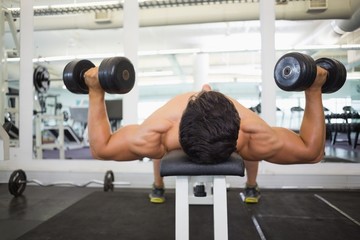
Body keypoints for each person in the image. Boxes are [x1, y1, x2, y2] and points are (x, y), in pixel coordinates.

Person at [84, 65, 327, 203]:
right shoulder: (252, 134)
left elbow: (101, 148)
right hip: (235, 139)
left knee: (154, 147)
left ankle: (250, 185)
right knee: (255, 149)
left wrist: (95, 91)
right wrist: (314, 88)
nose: (206, 88)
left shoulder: (156, 133)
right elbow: (312, 152)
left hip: (171, 138)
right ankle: (250, 186)